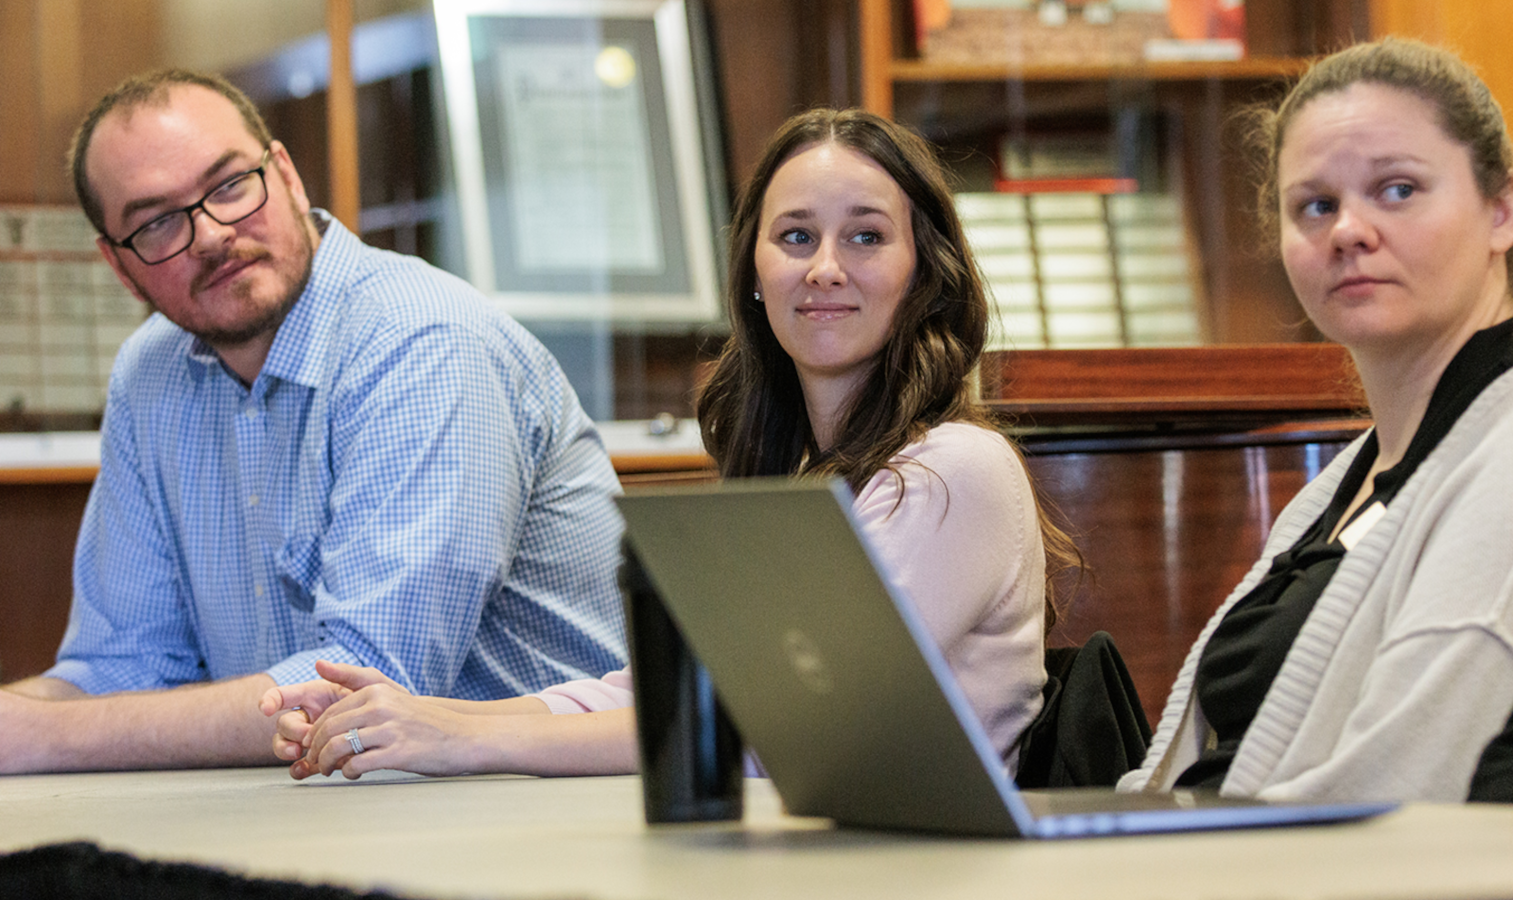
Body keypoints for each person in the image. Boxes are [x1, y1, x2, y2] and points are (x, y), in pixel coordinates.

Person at [263, 107, 1080, 780]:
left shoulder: (952, 471)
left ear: (925, 271)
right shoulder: (791, 473)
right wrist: (420, 716)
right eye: (796, 237)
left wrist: (463, 740)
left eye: (865, 237)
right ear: (754, 275)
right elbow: (662, 694)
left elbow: (766, 731)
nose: (825, 267)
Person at [0, 69, 627, 774]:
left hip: (542, 813)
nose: (210, 234)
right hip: (318, 806)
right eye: (157, 223)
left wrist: (41, 737)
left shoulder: (423, 341)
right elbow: (120, 668)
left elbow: (365, 684)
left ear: (289, 177)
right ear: (119, 267)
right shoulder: (150, 373)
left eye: (231, 184)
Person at [1120, 38, 1513, 803]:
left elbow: (1398, 784)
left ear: (1500, 211)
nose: (1347, 231)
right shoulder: (1348, 478)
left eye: (1396, 189)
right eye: (1315, 205)